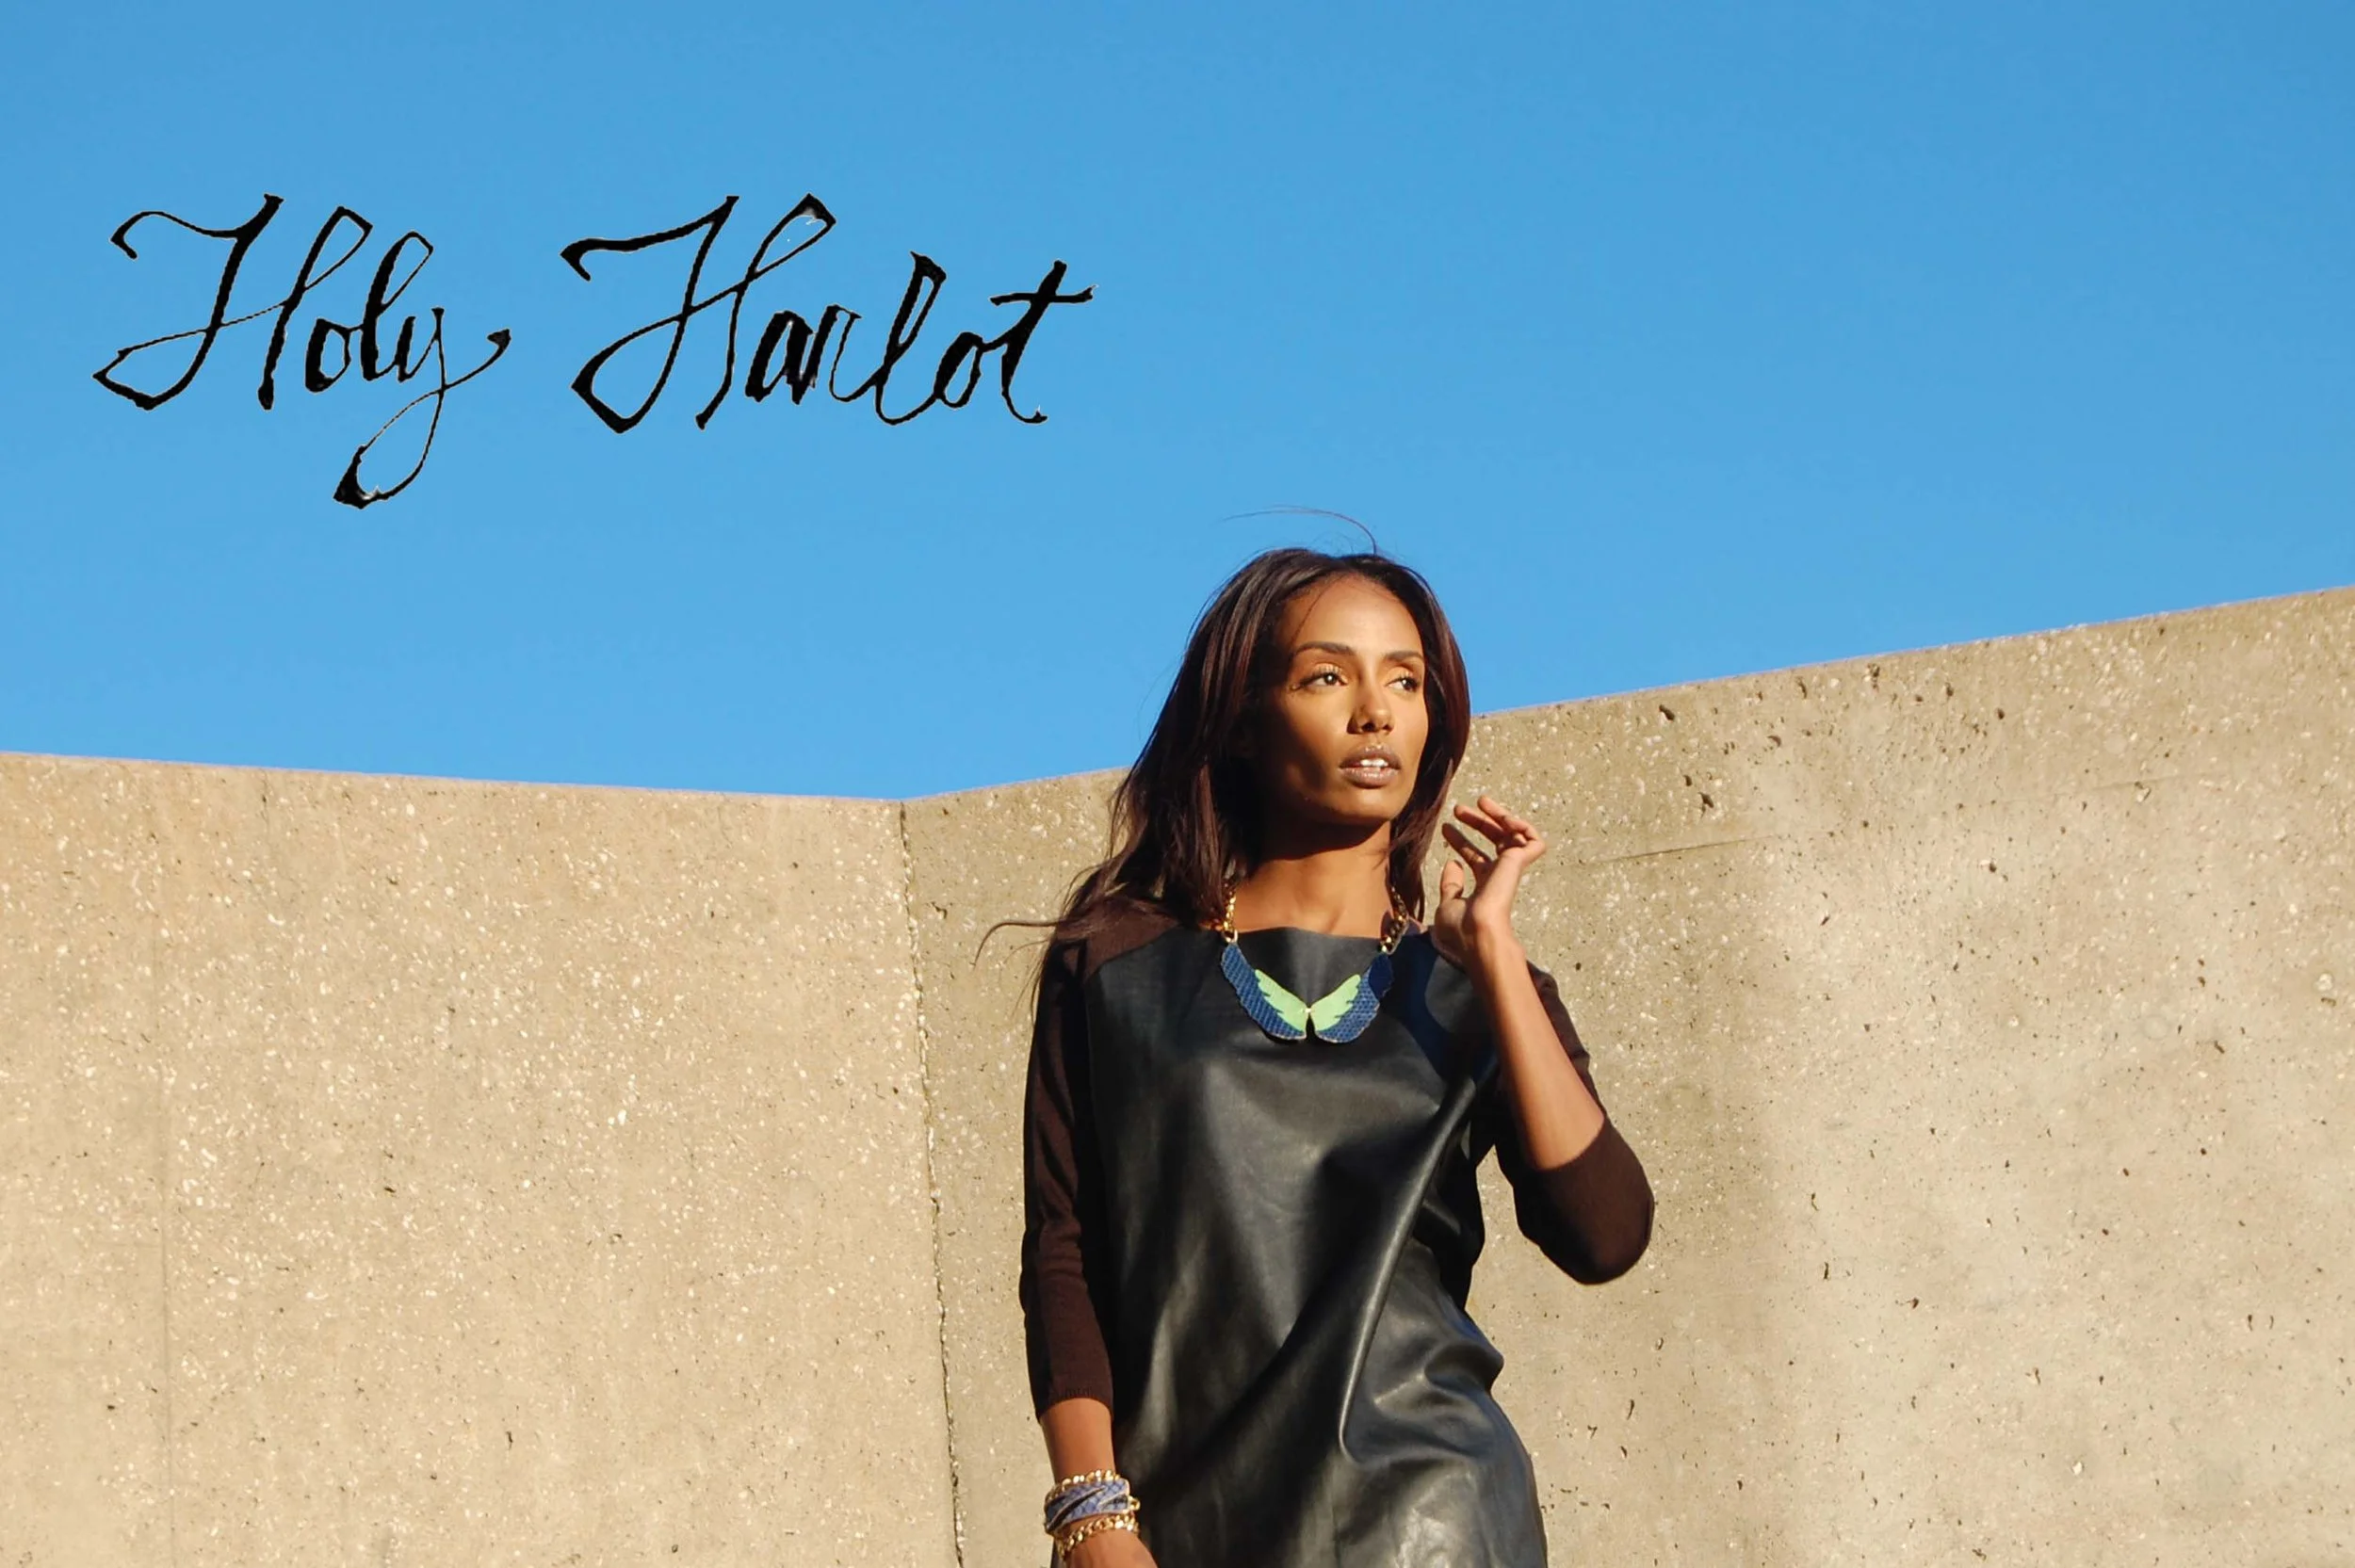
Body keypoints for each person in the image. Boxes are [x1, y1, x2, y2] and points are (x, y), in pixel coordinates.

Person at [1015, 546, 1655, 1567]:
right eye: (1326, 676)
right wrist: (1091, 1515)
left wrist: (1494, 957)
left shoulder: (1478, 986)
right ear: (1243, 716)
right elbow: (1066, 1250)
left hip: (1437, 1520)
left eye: (1405, 681)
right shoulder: (1113, 962)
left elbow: (1605, 1234)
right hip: (1190, 1522)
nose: (1375, 714)